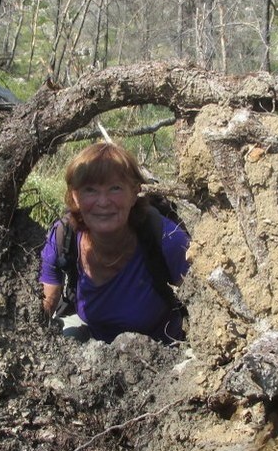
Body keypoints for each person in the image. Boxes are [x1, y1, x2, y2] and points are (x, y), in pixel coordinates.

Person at [39, 142, 190, 342]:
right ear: (75, 196)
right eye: (90, 190)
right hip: (94, 342)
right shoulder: (62, 236)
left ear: (135, 193)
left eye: (115, 188)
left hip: (161, 353)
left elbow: (204, 309)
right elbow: (44, 308)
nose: (103, 202)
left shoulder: (168, 240)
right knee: (68, 336)